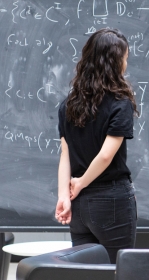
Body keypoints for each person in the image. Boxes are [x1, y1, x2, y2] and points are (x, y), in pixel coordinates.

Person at [55, 28, 138, 263]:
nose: (125, 64)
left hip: (79, 205)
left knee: (87, 277)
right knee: (118, 273)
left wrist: (65, 196)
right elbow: (105, 156)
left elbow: (65, 155)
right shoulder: (120, 103)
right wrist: (79, 183)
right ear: (114, 63)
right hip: (111, 200)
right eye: (125, 59)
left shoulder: (68, 105)